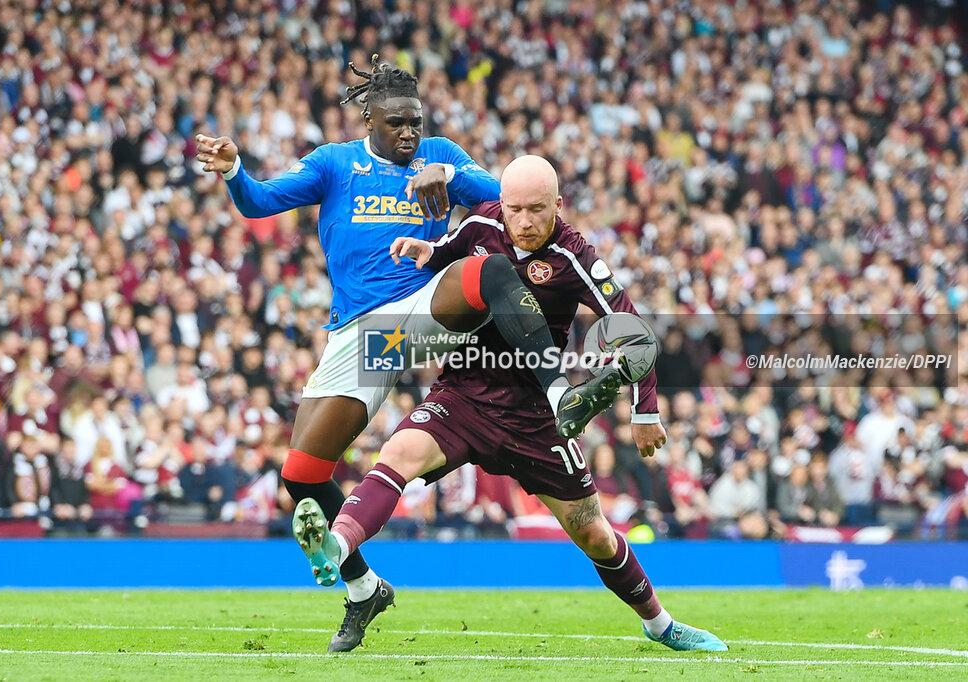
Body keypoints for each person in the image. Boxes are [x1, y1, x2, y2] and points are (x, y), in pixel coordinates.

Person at [195, 57, 622, 651]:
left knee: (485, 270)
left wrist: (444, 170)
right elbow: (259, 202)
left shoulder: (437, 153)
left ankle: (556, 391)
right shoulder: (333, 165)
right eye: (397, 123)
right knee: (301, 475)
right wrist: (235, 170)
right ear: (368, 117)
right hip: (365, 337)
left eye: (416, 123)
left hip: (426, 302)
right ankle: (363, 589)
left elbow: (508, 200)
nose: (409, 134)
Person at [293, 155, 727, 652]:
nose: (523, 221)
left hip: (537, 417)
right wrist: (425, 250)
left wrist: (645, 410)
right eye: (515, 209)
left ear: (558, 205)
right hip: (463, 394)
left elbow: (634, 331)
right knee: (396, 457)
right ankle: (338, 544)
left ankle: (660, 624)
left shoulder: (576, 257)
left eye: (536, 210)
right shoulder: (483, 221)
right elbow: (448, 256)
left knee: (595, 536)